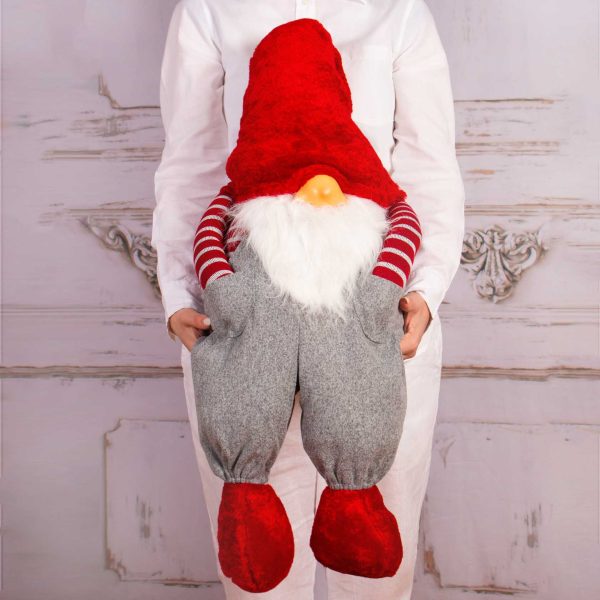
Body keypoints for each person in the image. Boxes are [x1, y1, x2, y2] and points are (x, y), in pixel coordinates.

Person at [152, 0, 465, 598]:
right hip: (241, 335)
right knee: (257, 573)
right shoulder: (209, 9)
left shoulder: (399, 10)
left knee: (374, 571)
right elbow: (190, 162)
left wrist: (424, 291)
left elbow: (429, 166)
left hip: (376, 327)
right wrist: (179, 293)